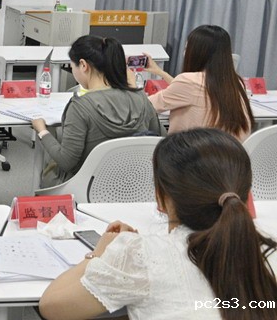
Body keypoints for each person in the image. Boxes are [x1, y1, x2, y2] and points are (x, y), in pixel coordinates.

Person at [39, 128, 277, 320]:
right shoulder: (268, 249)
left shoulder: (142, 254)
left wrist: (98, 254)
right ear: (245, 191)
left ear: (161, 197)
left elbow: (51, 307)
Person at [32, 35, 161, 187]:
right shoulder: (141, 98)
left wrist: (42, 131)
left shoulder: (80, 107)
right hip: (134, 187)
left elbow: (66, 162)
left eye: (72, 67)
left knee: (50, 166)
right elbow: (160, 140)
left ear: (83, 65)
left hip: (86, 189)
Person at [145, 24, 253, 140]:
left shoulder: (188, 82)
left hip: (192, 149)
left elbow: (147, 106)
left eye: (186, 48)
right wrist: (160, 72)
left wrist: (132, 83)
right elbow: (194, 90)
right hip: (229, 149)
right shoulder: (235, 82)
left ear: (195, 53)